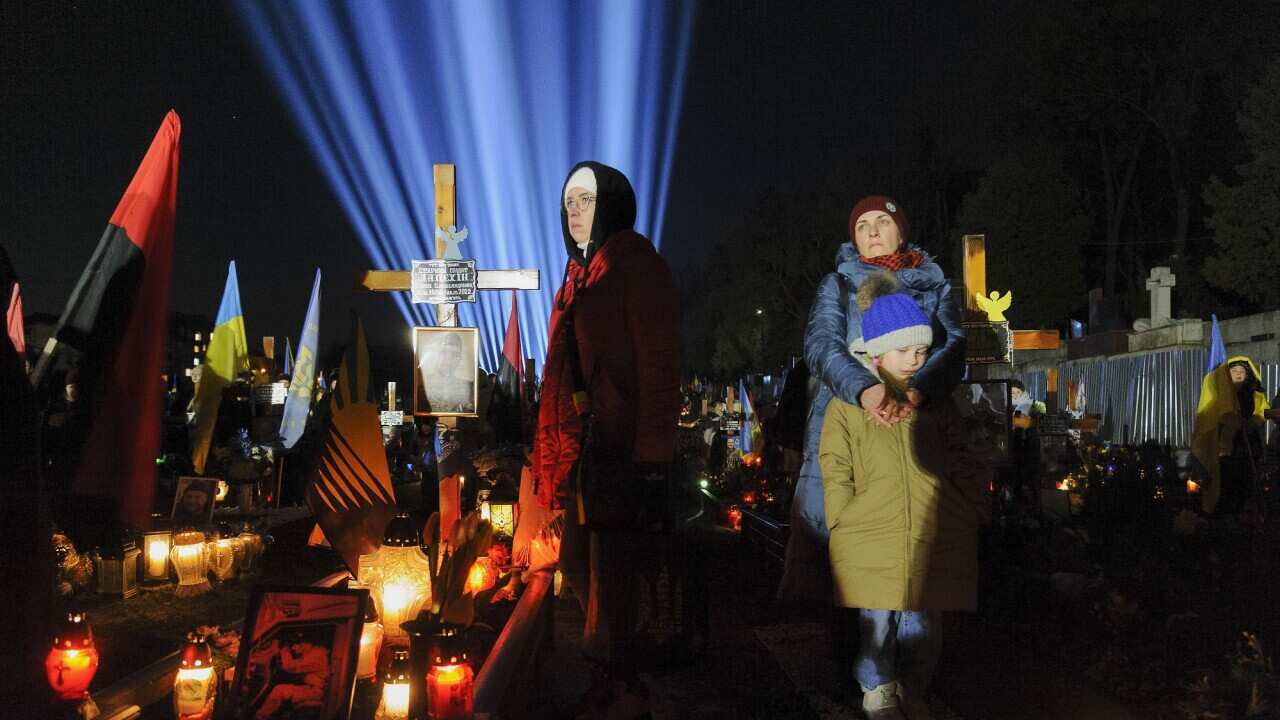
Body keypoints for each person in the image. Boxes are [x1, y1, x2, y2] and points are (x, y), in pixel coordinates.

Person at [531, 161, 679, 719]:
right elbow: (562, 377)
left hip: (625, 449)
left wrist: (653, 460)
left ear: (613, 204)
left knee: (617, 575)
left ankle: (628, 689)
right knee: (581, 564)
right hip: (591, 447)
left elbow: (659, 368)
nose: (574, 210)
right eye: (569, 199)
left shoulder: (635, 266)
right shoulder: (579, 278)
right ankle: (610, 676)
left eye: (587, 199)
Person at [820, 274, 988, 719]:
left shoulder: (934, 402)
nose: (916, 359)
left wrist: (971, 505)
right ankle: (877, 688)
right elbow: (835, 463)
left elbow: (963, 454)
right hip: (870, 531)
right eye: (905, 350)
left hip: (928, 533)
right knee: (877, 624)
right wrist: (841, 516)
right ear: (875, 352)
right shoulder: (849, 403)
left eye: (922, 350)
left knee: (924, 627)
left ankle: (913, 689)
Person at [782, 196, 965, 600]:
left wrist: (919, 389)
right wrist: (865, 390)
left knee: (916, 539)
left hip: (918, 419)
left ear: (901, 232)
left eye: (882, 221)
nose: (872, 231)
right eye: (862, 226)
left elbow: (953, 345)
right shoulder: (839, 284)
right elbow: (821, 344)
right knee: (844, 540)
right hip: (850, 418)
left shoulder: (936, 285)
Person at [254, 631, 329, 718]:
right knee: (282, 689)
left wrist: (284, 650)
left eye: (297, 644)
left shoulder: (317, 656)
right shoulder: (313, 654)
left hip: (316, 692)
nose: (294, 648)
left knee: (279, 691)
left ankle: (260, 717)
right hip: (312, 688)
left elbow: (290, 667)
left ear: (307, 643)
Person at [418, 332, 476, 414]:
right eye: (444, 352)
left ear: (459, 359)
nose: (449, 359)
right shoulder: (421, 385)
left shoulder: (469, 388)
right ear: (435, 354)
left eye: (454, 354)